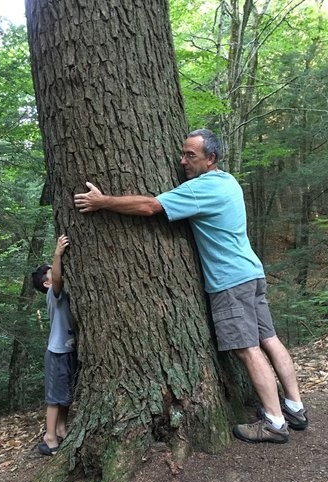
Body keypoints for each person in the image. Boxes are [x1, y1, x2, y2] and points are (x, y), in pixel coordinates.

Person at [74, 128, 308, 444]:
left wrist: (103, 202)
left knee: (248, 349)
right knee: (269, 339)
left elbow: (149, 207)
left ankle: (275, 423)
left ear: (210, 159)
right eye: (182, 153)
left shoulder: (203, 188)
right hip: (250, 273)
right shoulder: (228, 181)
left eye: (190, 155)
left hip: (230, 281)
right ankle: (294, 407)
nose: (182, 161)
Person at [32, 234, 77, 455]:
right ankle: (49, 437)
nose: (57, 269)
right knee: (54, 397)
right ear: (46, 282)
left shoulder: (62, 292)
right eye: (52, 270)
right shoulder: (53, 292)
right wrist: (57, 253)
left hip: (68, 350)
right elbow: (58, 279)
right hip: (57, 351)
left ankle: (61, 429)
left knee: (66, 394)